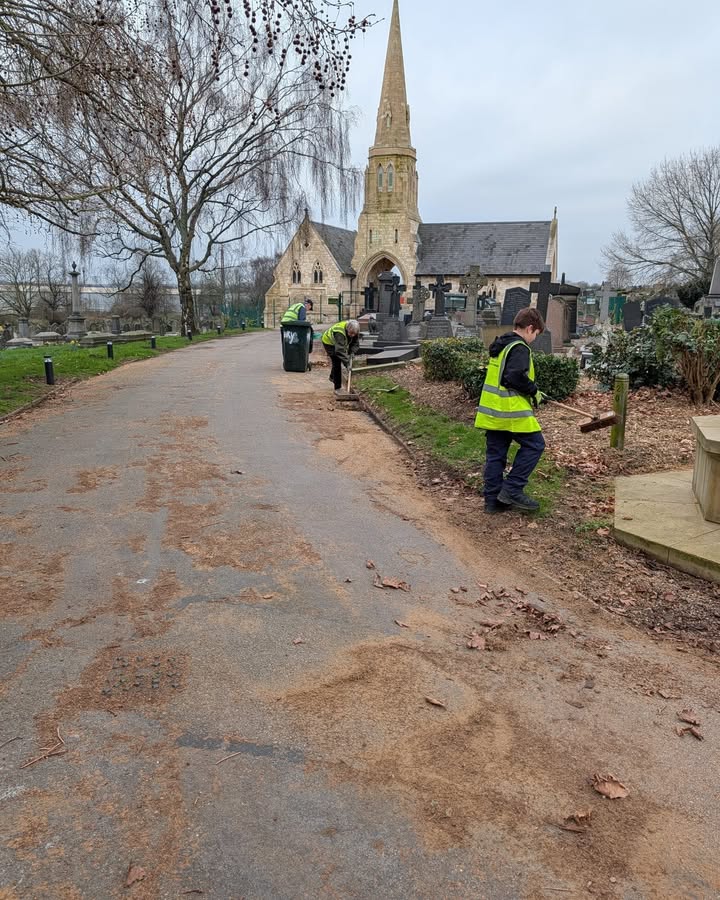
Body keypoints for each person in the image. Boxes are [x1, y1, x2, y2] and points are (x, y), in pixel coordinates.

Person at [474, 307, 547, 513]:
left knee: (496, 455)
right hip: (511, 412)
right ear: (530, 328)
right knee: (535, 445)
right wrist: (534, 391)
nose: (534, 338)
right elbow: (514, 377)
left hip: (493, 412)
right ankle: (513, 489)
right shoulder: (519, 347)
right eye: (536, 334)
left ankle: (492, 502)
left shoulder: (501, 345)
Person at [321, 319, 361, 392]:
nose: (352, 335)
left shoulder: (354, 330)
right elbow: (339, 350)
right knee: (337, 362)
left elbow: (355, 343)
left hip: (337, 344)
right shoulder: (339, 333)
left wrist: (352, 352)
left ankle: (332, 377)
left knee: (338, 360)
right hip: (328, 342)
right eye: (351, 333)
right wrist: (347, 363)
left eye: (354, 334)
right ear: (347, 329)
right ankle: (337, 387)